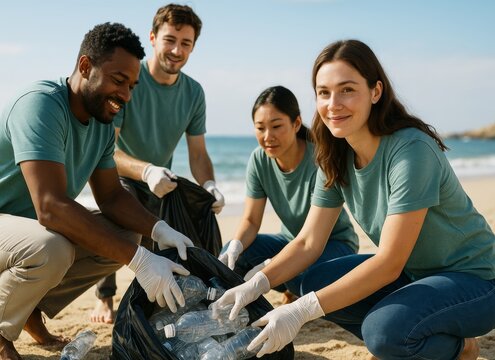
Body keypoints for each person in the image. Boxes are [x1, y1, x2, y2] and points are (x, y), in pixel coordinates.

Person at [212, 40, 495, 360]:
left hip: (477, 281)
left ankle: (459, 347)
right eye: (324, 92)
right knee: (315, 280)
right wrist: (257, 283)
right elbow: (308, 242)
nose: (333, 103)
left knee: (384, 334)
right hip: (415, 275)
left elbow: (389, 262)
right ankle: (414, 324)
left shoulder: (410, 150)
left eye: (347, 90)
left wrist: (300, 312)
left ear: (375, 92)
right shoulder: (336, 155)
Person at [0, 23, 195, 360]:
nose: (126, 95)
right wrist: (139, 262)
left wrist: (158, 230)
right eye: (119, 81)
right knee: (52, 247)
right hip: (18, 233)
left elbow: (112, 198)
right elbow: (50, 207)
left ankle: (27, 307)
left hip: (21, 239)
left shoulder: (101, 126)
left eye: (132, 86)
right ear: (86, 67)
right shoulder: (42, 105)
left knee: (124, 235)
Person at [90, 3, 225, 324]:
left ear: (193, 47)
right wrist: (146, 170)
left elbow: (198, 154)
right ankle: (104, 298)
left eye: (186, 43)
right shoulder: (130, 80)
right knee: (120, 220)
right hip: (122, 175)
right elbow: (106, 150)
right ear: (152, 38)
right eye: (170, 40)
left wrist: (210, 186)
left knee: (178, 238)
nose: (177, 50)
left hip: (162, 180)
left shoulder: (194, 92)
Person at [218, 85, 358, 304]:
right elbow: (251, 220)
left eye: (276, 126)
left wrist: (269, 267)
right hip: (289, 241)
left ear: (296, 124)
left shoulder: (322, 160)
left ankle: (294, 289)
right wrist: (236, 244)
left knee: (303, 277)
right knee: (233, 256)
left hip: (333, 244)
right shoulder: (259, 160)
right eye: (260, 128)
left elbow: (311, 242)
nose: (268, 136)